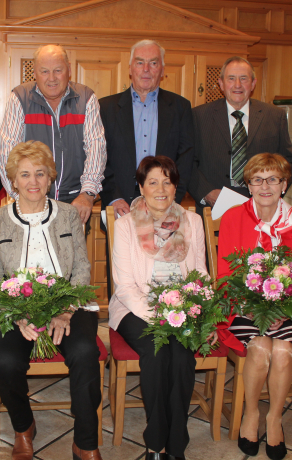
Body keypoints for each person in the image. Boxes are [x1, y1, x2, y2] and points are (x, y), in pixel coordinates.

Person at [0, 141, 102, 460]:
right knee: (5, 362)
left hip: (67, 299)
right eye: (25, 175)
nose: (33, 181)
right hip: (13, 305)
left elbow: (81, 267)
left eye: (40, 173)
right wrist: (16, 314)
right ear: (13, 181)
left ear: (50, 178)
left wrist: (65, 311)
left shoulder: (67, 215)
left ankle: (86, 441)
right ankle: (23, 427)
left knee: (84, 351)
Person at [216, 153, 292, 460]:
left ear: (284, 184)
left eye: (273, 179)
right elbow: (226, 275)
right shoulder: (233, 217)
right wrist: (255, 310)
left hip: (285, 309)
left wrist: (281, 312)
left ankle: (275, 417)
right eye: (257, 179)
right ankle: (252, 414)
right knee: (260, 348)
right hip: (241, 305)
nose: (265, 186)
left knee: (282, 351)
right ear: (248, 184)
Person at [109, 155, 207, 460]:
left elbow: (201, 274)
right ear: (141, 186)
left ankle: (176, 441)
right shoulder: (126, 225)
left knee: (181, 358)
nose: (161, 188)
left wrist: (193, 310)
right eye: (153, 181)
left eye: (168, 181)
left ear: (176, 185)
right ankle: (155, 440)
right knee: (156, 351)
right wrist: (162, 316)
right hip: (135, 307)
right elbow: (124, 286)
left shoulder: (192, 221)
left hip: (182, 306)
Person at [0, 44, 107, 224]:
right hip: (29, 203)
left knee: (70, 253)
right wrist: (21, 197)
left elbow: (96, 148)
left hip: (74, 204)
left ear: (69, 70)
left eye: (58, 70)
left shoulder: (86, 98)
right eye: (44, 71)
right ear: (35, 73)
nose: (52, 78)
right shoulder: (20, 98)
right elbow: (5, 157)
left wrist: (87, 194)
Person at [99, 39, 194, 219]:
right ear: (130, 68)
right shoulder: (106, 108)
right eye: (140, 62)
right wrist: (114, 197)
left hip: (163, 201)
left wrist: (171, 198)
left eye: (153, 63)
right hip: (120, 203)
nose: (146, 69)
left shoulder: (180, 108)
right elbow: (100, 158)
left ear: (163, 70)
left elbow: (185, 159)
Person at [188, 56, 292, 211]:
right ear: (221, 84)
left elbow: (287, 163)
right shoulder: (199, 116)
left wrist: (271, 193)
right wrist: (207, 193)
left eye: (243, 78)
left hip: (261, 205)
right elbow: (188, 162)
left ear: (253, 84)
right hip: (215, 205)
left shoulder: (274, 116)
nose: (237, 85)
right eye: (231, 78)